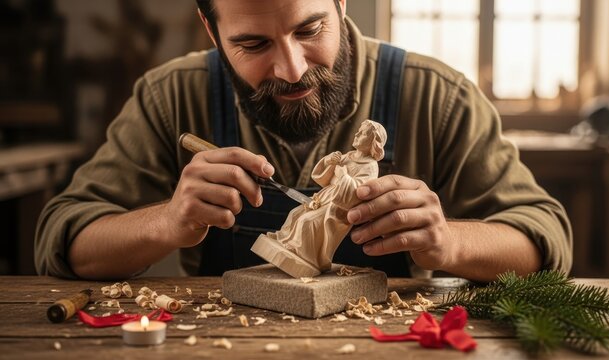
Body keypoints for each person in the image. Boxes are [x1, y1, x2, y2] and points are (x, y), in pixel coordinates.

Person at [35, 0, 572, 282]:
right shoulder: (170, 95)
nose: (291, 69)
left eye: (309, 30)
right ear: (210, 28)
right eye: (252, 43)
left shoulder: (439, 96)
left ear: (340, 2)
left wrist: (448, 243)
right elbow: (63, 242)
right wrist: (168, 221)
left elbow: (544, 242)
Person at [252, 120, 386, 277]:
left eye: (363, 133)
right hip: (324, 197)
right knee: (295, 213)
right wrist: (329, 162)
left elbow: (358, 193)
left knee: (307, 221)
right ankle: (286, 242)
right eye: (359, 130)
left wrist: (344, 177)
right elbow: (322, 178)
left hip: (338, 208)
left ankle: (305, 256)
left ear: (373, 142)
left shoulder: (370, 166)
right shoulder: (349, 156)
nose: (357, 134)